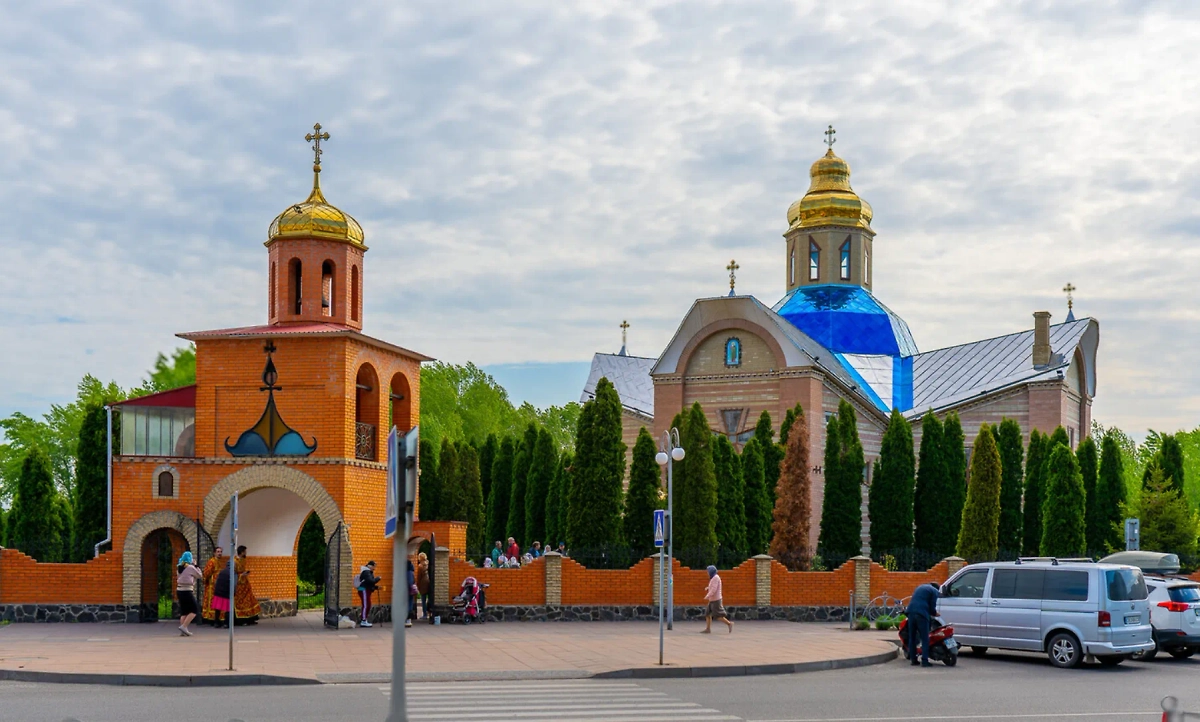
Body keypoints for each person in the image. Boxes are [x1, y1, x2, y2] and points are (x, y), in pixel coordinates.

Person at [906, 582, 941, 668]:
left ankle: (913, 660)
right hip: (921, 614)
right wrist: (935, 613)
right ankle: (925, 661)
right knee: (925, 637)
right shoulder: (934, 591)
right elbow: (932, 606)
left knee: (912, 637)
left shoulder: (920, 587)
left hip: (910, 612)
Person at [175, 552, 203, 637]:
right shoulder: (190, 567)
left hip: (179, 590)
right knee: (194, 610)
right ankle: (184, 626)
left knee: (184, 611)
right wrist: (196, 566)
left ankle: (183, 631)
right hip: (187, 590)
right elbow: (200, 575)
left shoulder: (179, 567)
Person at [233, 545, 261, 625]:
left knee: (250, 601)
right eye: (245, 551)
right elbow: (234, 574)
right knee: (241, 603)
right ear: (241, 552)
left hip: (245, 584)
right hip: (239, 585)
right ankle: (242, 619)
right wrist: (241, 575)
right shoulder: (235, 561)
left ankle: (251, 618)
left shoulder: (243, 560)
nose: (246, 553)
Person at [702, 565, 733, 634]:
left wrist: (707, 596)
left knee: (718, 616)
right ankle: (708, 629)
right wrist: (708, 588)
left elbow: (714, 589)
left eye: (708, 571)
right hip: (712, 600)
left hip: (716, 600)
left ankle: (729, 623)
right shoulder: (713, 578)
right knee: (707, 613)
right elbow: (712, 587)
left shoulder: (716, 578)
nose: (707, 573)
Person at [201, 547, 223, 625]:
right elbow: (207, 573)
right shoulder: (211, 561)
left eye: (220, 552)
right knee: (212, 601)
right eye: (218, 552)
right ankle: (210, 618)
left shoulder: (220, 561)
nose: (219, 553)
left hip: (219, 585)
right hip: (212, 585)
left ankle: (217, 617)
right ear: (214, 553)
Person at [357, 560, 382, 627]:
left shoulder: (368, 572)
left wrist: (376, 587)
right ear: (370, 566)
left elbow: (369, 583)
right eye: (374, 566)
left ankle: (364, 619)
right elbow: (371, 581)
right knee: (366, 605)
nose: (374, 568)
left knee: (368, 604)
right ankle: (363, 620)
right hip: (363, 590)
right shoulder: (366, 572)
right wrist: (378, 578)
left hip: (365, 589)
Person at [416, 552, 430, 619]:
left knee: (423, 599)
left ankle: (424, 614)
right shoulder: (428, 563)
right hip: (428, 581)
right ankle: (429, 612)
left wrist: (418, 585)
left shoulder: (420, 566)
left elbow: (419, 576)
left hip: (423, 583)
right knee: (430, 598)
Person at [406, 560, 418, 628]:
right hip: (409, 591)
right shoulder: (410, 572)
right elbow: (410, 582)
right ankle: (408, 619)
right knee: (409, 605)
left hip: (405, 591)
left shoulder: (404, 572)